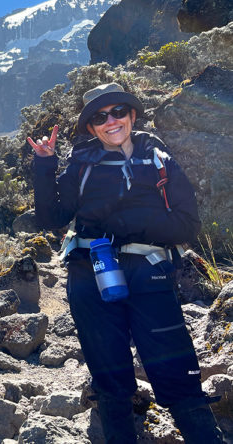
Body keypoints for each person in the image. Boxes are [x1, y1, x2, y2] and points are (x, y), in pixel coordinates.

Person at [27, 83, 224, 444]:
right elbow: (51, 216)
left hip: (150, 274)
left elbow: (188, 224)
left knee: (176, 369)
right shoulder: (82, 164)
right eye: (100, 117)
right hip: (91, 274)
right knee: (110, 376)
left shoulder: (158, 158)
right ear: (91, 127)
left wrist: (131, 227)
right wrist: (44, 164)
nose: (111, 121)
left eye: (118, 111)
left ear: (132, 115)